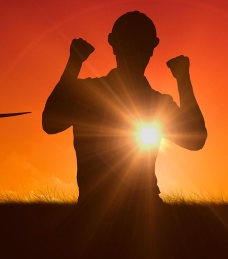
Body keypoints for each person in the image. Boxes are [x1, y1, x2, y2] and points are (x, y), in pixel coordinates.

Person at [42, 11, 207, 211]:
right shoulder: (157, 103)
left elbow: (50, 123)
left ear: (112, 42)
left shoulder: (89, 93)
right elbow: (195, 139)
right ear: (154, 46)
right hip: (144, 217)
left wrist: (74, 62)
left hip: (94, 216)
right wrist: (182, 78)